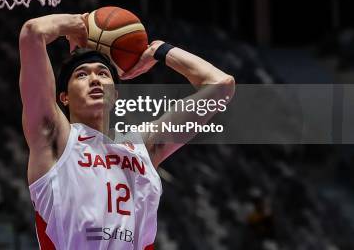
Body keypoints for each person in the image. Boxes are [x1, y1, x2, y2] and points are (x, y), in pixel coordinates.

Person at [19, 13, 236, 249]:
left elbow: (221, 86)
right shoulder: (54, 139)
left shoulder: (142, 147)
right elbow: (33, 32)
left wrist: (159, 50)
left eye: (103, 73)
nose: (95, 80)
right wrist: (78, 24)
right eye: (82, 75)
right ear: (64, 97)